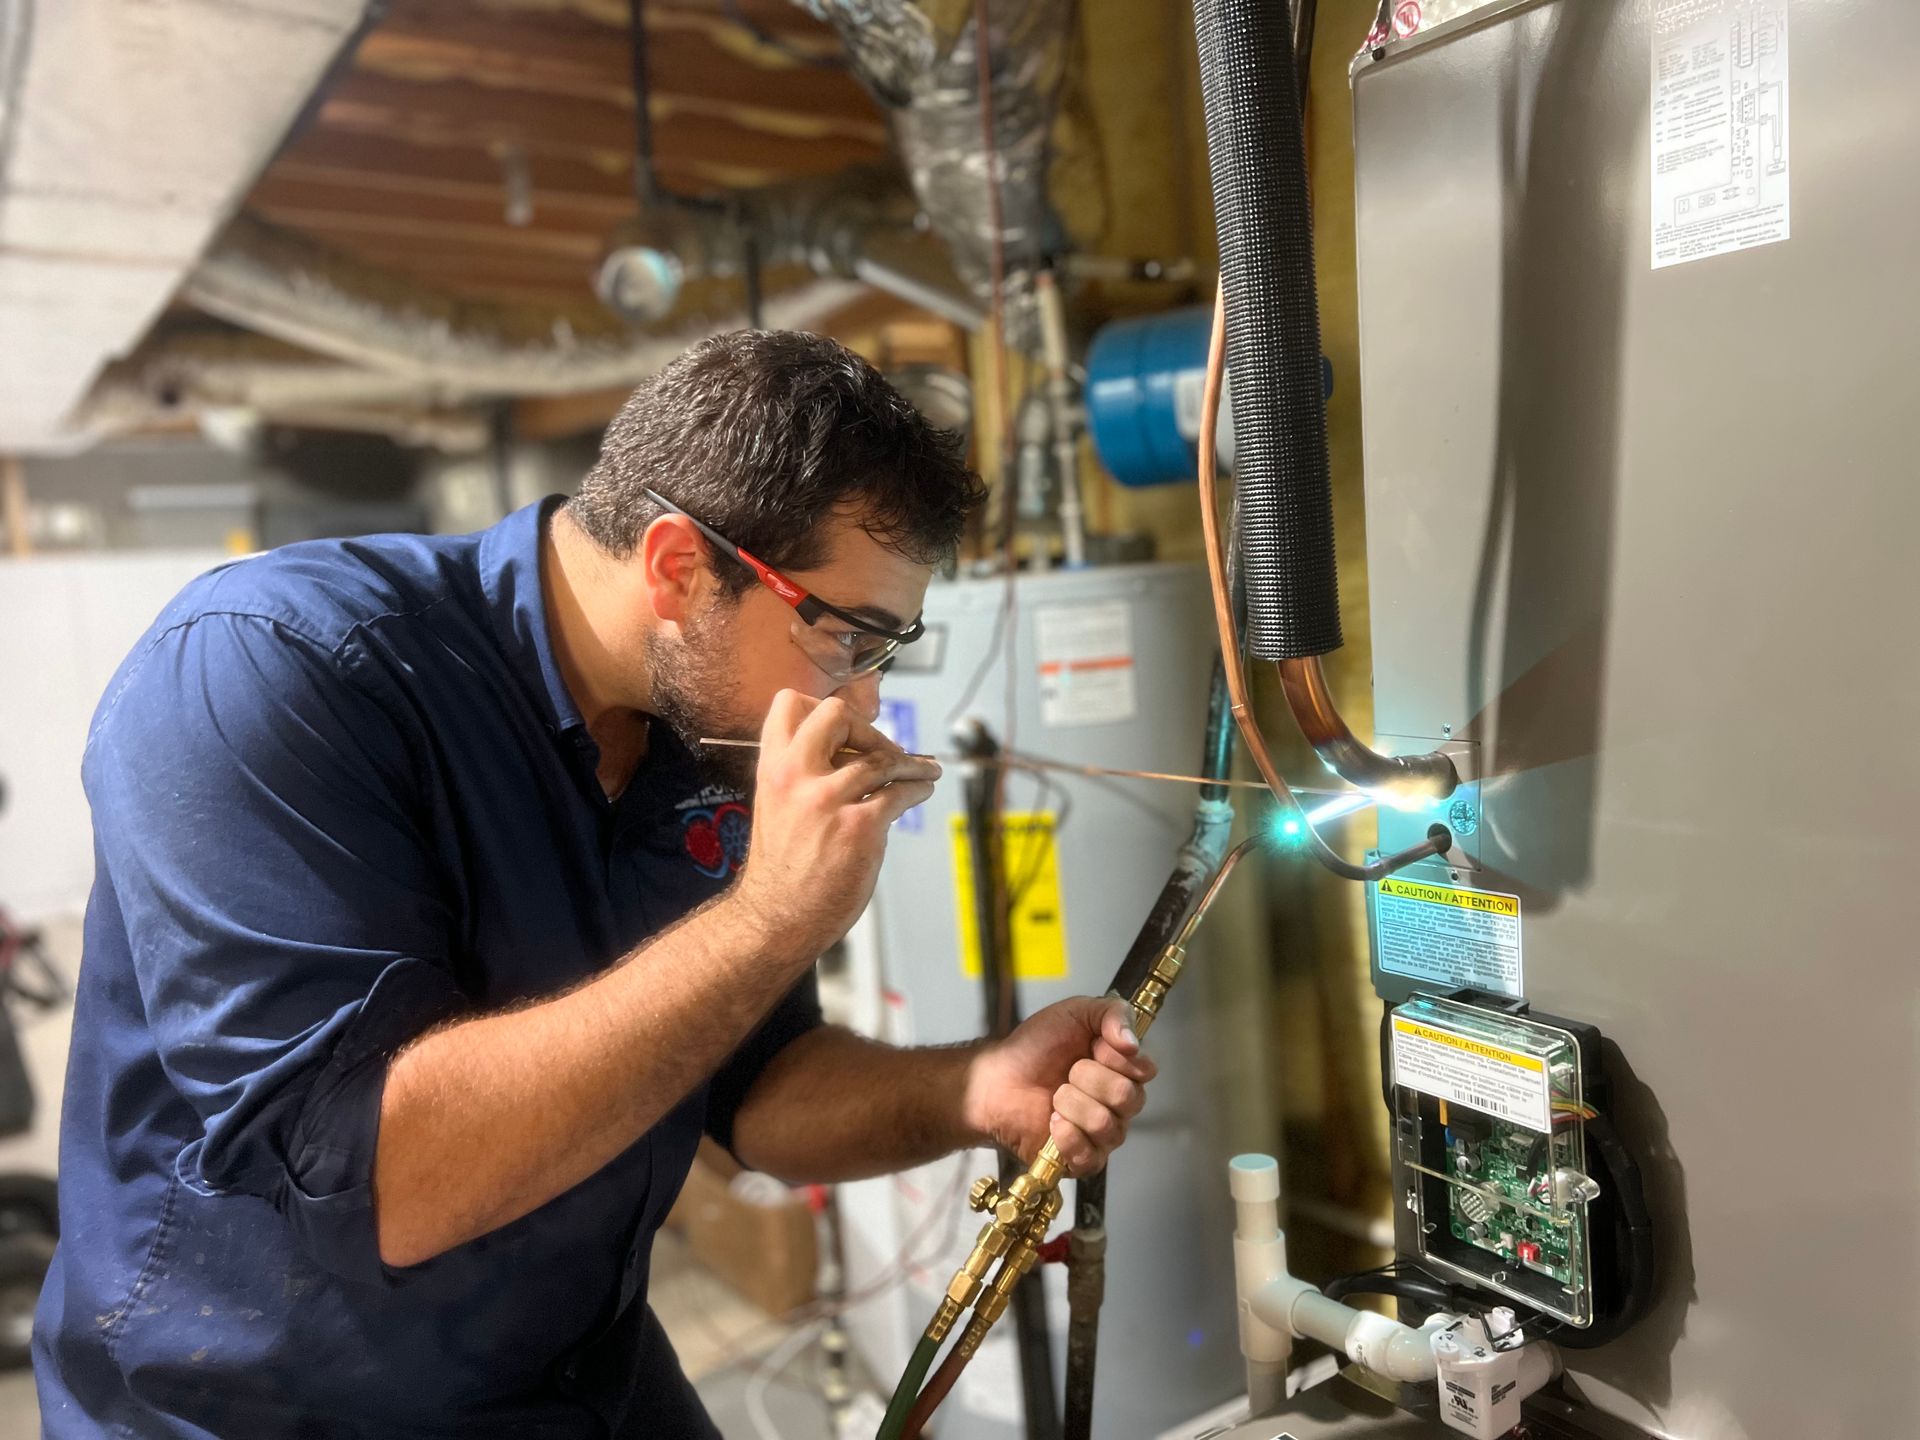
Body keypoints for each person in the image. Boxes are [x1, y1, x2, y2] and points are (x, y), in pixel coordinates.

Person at [34, 331, 1158, 1438]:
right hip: (271, 1403)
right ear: (679, 567)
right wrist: (771, 918)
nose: (859, 706)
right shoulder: (270, 669)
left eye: (886, 651)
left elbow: (756, 1090)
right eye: (845, 639)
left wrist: (968, 1092)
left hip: (573, 1366)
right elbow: (380, 1181)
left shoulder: (701, 732)